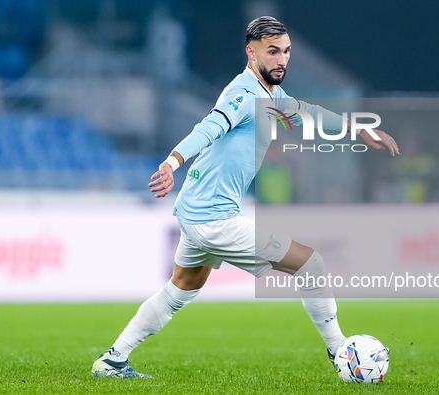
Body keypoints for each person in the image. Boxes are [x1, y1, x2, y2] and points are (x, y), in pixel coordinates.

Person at [92, 16, 399, 378]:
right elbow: (209, 126)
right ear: (251, 53)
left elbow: (308, 115)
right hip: (214, 218)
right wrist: (172, 160)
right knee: (310, 264)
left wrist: (356, 127)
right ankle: (339, 353)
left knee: (181, 289)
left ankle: (111, 360)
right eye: (273, 51)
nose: (282, 59)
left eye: (286, 51)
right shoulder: (243, 93)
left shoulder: (272, 96)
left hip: (196, 213)